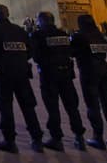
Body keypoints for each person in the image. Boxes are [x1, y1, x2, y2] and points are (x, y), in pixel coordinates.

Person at [0, 4, 44, 153]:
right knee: (28, 107)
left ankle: (10, 141)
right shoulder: (19, 31)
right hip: (22, 74)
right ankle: (37, 140)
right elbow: (30, 50)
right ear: (8, 13)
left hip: (3, 75)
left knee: (6, 109)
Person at [30, 11, 86, 152]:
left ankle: (56, 138)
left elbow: (35, 56)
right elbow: (71, 51)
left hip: (49, 76)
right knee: (72, 107)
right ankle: (79, 137)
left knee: (53, 108)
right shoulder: (63, 34)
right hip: (66, 74)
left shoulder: (39, 35)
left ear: (41, 21)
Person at [71, 14, 107, 151]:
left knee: (93, 106)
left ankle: (98, 137)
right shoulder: (99, 36)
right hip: (104, 72)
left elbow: (72, 52)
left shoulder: (80, 36)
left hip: (89, 73)